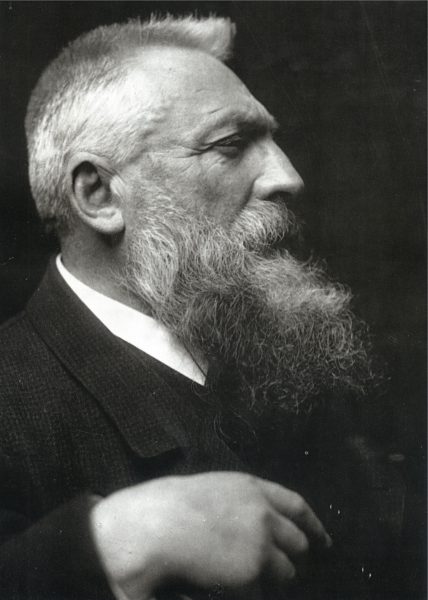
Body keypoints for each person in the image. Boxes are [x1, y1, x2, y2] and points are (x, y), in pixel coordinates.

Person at [0, 15, 406, 600]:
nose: (288, 177)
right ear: (98, 194)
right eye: (230, 145)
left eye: (273, 143)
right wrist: (108, 546)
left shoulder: (295, 358)